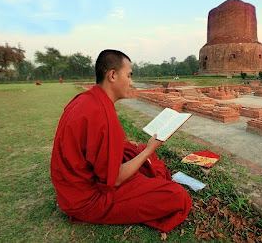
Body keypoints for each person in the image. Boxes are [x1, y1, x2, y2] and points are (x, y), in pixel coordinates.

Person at [50, 49, 192, 233]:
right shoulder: (103, 116)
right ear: (113, 75)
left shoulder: (85, 99)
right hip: (86, 200)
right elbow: (115, 180)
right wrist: (149, 150)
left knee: (132, 149)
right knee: (178, 197)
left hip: (69, 187)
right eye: (129, 75)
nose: (131, 83)